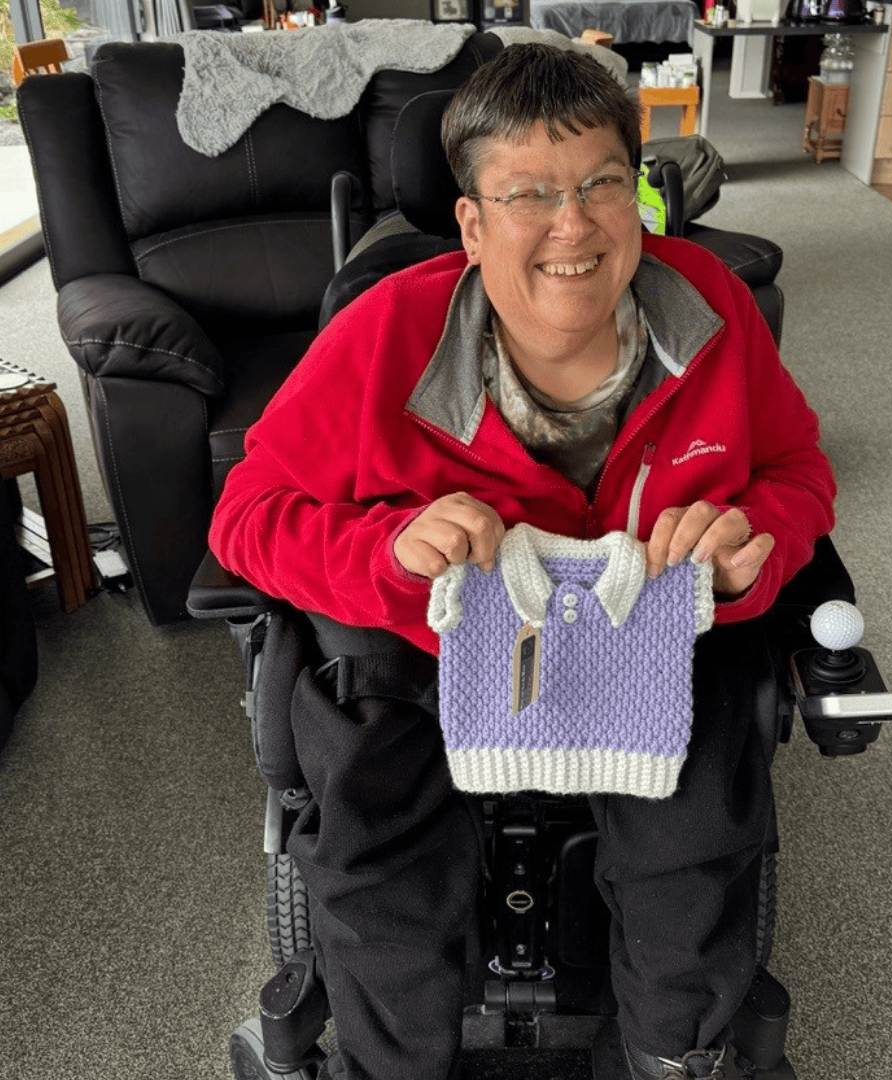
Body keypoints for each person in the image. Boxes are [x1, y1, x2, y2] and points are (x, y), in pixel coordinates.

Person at [210, 44, 836, 1080]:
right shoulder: (383, 333)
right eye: (527, 195)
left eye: (602, 184)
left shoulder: (713, 309)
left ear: (639, 196)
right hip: (438, 651)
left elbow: (799, 470)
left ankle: (670, 1059)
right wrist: (387, 553)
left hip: (643, 641)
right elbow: (245, 516)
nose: (572, 225)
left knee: (693, 855)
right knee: (378, 847)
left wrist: (748, 548)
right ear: (471, 223)